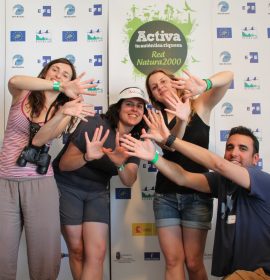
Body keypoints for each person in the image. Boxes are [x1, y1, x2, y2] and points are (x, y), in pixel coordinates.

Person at [120, 116, 270, 279]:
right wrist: (154, 157)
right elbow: (182, 177)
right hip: (235, 274)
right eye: (230, 147)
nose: (234, 153)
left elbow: (218, 165)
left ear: (256, 159)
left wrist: (170, 139)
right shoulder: (221, 181)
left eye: (243, 149)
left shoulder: (261, 180)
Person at [0, 57, 97, 280]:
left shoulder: (65, 109)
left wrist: (63, 113)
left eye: (65, 75)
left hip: (40, 185)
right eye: (55, 70)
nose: (59, 75)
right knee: (3, 255)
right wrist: (59, 85)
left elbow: (40, 140)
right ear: (45, 72)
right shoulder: (22, 92)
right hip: (4, 183)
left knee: (44, 257)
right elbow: (15, 79)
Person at [144, 68, 233, 279]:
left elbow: (228, 76)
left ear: (174, 81)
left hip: (198, 194)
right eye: (154, 87)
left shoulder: (200, 104)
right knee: (173, 261)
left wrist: (205, 84)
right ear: (152, 96)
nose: (160, 88)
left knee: (193, 262)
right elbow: (171, 146)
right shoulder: (156, 119)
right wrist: (181, 120)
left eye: (163, 81)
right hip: (166, 195)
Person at [52, 87, 149, 280]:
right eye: (129, 103)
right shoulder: (96, 124)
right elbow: (64, 164)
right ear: (118, 107)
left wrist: (120, 164)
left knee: (97, 252)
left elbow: (129, 179)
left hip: (96, 191)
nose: (134, 109)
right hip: (68, 186)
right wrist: (88, 156)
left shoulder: (135, 141)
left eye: (139, 106)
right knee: (77, 249)